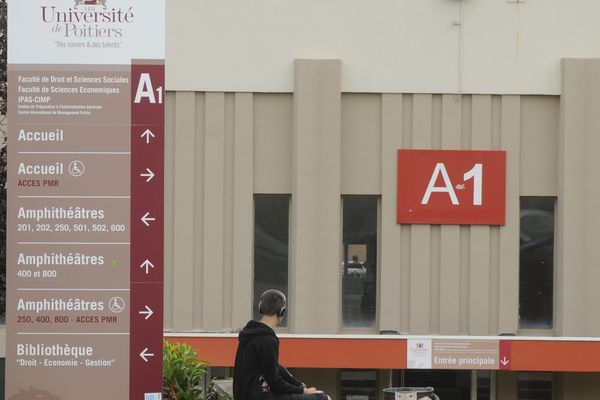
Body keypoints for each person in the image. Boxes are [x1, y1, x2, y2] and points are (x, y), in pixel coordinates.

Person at [234, 289, 330, 400]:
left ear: (260, 308)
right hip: (259, 396)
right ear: (282, 312)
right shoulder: (267, 339)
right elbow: (275, 382)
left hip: (247, 395)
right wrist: (302, 391)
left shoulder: (251, 333)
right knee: (323, 398)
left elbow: (276, 368)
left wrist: (300, 386)